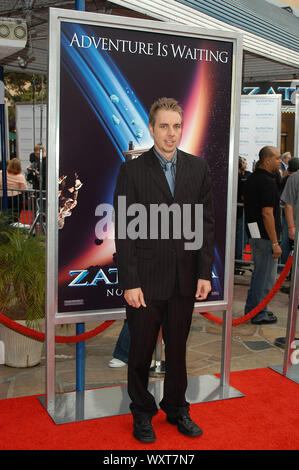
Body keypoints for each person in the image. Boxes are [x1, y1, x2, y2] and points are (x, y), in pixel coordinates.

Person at [113, 97, 215, 443]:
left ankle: (176, 408)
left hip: (184, 280)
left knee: (178, 349)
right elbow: (125, 230)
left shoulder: (198, 168)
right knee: (140, 351)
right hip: (145, 281)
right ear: (152, 128)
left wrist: (204, 272)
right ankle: (142, 412)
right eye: (163, 126)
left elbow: (205, 224)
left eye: (176, 126)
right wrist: (129, 280)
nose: (171, 134)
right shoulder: (132, 171)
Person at [243, 146, 282, 325]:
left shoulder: (252, 179)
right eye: (277, 158)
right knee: (265, 277)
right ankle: (259, 313)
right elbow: (267, 213)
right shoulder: (266, 182)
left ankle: (253, 310)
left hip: (255, 233)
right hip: (265, 237)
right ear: (267, 160)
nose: (280, 161)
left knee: (259, 274)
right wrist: (275, 242)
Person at [235, 157, 250, 272]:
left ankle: (238, 258)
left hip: (238, 212)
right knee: (241, 235)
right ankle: (238, 258)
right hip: (239, 212)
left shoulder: (243, 176)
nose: (246, 164)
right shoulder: (240, 178)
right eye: (244, 162)